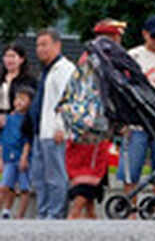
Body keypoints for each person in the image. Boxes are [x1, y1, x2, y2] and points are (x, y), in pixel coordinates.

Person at [64, 18, 125, 220]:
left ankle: (91, 220)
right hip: (97, 123)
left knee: (86, 173)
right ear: (114, 36)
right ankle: (73, 217)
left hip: (79, 122)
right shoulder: (109, 59)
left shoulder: (85, 57)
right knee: (90, 173)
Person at [121, 14, 155, 195]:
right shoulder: (133, 56)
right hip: (138, 119)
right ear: (145, 34)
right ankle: (131, 208)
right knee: (132, 167)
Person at [29, 27, 75, 219]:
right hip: (41, 131)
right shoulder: (47, 70)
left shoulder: (64, 69)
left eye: (45, 44)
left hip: (55, 132)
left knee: (56, 176)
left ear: (57, 45)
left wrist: (61, 128)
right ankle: (44, 213)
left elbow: (67, 100)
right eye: (38, 45)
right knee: (40, 177)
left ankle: (55, 215)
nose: (40, 49)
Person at [0, 85, 34, 219]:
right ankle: (5, 210)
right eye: (17, 99)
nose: (18, 102)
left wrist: (24, 157)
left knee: (24, 188)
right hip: (9, 157)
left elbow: (27, 141)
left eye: (23, 99)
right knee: (5, 186)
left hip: (22, 158)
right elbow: (2, 140)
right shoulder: (8, 119)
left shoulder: (28, 120)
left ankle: (20, 215)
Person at [1, 44, 37, 132]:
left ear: (21, 59)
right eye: (6, 56)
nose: (9, 60)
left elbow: (31, 103)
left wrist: (11, 116)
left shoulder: (29, 80)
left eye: (12, 56)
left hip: (18, 122)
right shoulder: (1, 77)